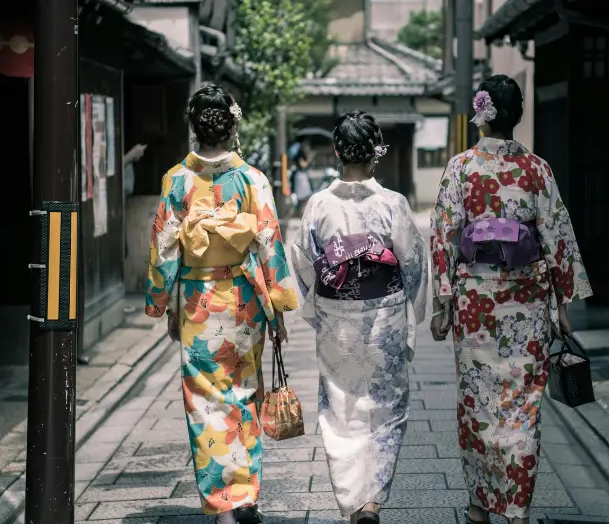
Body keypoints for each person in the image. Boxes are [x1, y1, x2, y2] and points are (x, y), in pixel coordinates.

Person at [429, 75, 592, 524]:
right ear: (517, 115)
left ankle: (480, 504)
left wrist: (444, 302)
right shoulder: (536, 170)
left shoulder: (461, 168)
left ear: (481, 114)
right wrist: (562, 306)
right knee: (522, 408)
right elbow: (558, 237)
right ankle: (516, 509)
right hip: (527, 306)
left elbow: (443, 235)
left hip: (476, 305)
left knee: (478, 403)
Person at [145, 83, 299, 524]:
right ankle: (246, 495)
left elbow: (164, 249)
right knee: (245, 394)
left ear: (194, 128)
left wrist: (163, 303)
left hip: (197, 299)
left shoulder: (177, 180)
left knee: (205, 402)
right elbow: (269, 241)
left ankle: (222, 506)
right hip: (245, 299)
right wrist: (279, 305)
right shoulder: (252, 179)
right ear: (233, 126)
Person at [290, 110, 429, 524]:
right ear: (375, 153)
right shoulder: (393, 205)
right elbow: (414, 265)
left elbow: (301, 263)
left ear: (337, 152)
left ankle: (353, 502)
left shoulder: (318, 205)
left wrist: (318, 310)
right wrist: (411, 315)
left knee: (341, 408)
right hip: (384, 315)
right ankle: (372, 500)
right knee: (387, 407)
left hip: (336, 317)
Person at [290, 151, 313, 216]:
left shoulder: (305, 171)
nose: (303, 163)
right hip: (300, 192)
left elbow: (309, 181)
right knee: (301, 206)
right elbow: (292, 182)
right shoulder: (295, 172)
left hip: (306, 191)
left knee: (305, 205)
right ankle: (301, 216)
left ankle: (303, 216)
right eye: (301, 161)